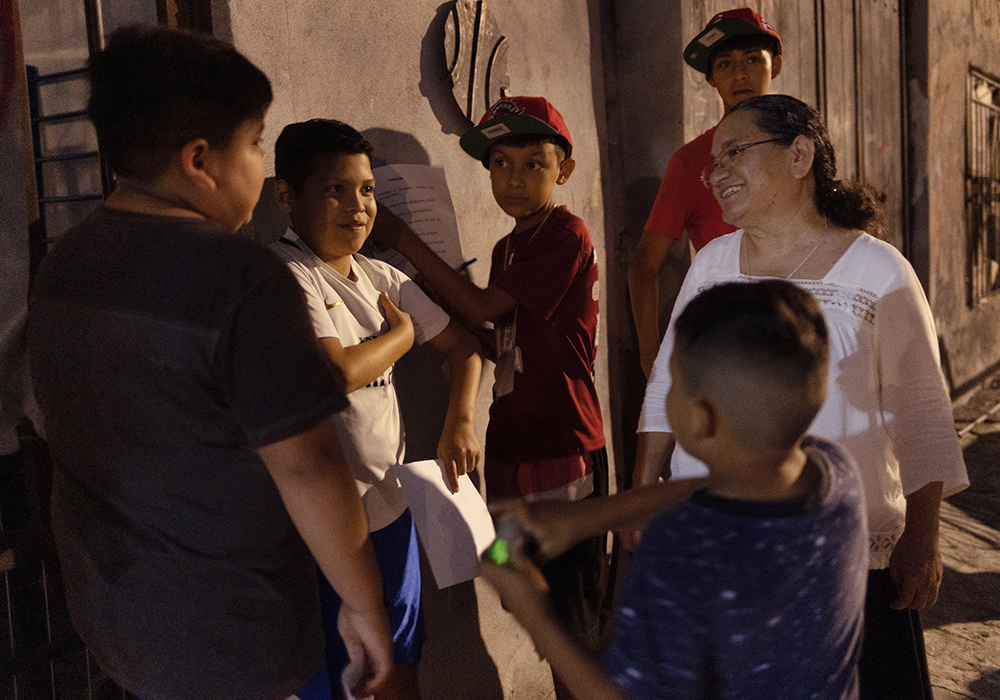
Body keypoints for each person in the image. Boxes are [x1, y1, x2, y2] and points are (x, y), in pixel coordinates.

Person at [26, 26, 393, 700]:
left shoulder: (64, 264)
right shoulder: (240, 278)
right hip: (226, 636)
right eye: (255, 143)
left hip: (112, 619)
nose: (262, 163)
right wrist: (365, 604)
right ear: (201, 160)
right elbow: (309, 465)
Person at [636, 94, 969, 700]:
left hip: (845, 561)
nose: (715, 174)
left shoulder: (878, 273)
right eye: (713, 162)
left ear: (799, 156)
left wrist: (924, 535)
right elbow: (669, 380)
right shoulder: (712, 263)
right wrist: (640, 493)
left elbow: (920, 410)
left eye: (735, 152)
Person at [482, 279, 869, 700]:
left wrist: (532, 607)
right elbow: (733, 482)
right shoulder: (836, 474)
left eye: (671, 383)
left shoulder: (680, 547)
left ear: (702, 419)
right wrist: (586, 518)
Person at [371, 95, 608, 700]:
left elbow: (479, 308)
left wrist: (404, 240)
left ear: (565, 170)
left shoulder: (565, 234)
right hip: (508, 452)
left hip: (563, 446)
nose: (515, 180)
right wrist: (416, 302)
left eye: (534, 163)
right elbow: (490, 335)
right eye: (500, 164)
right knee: (524, 598)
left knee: (568, 620)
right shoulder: (508, 249)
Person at [270, 118, 483, 700]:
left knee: (398, 669)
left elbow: (465, 347)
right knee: (339, 680)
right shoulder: (286, 275)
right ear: (288, 196)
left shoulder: (380, 276)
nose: (357, 206)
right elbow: (334, 374)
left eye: (366, 190)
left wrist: (458, 422)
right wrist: (402, 335)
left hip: (392, 512)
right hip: (326, 526)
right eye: (335, 189)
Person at [628, 7, 783, 378]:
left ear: (775, 66)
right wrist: (650, 356)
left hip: (800, 333)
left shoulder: (799, 148)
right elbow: (642, 266)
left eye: (752, 60)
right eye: (725, 64)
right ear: (710, 77)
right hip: (728, 346)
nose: (740, 74)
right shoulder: (691, 163)